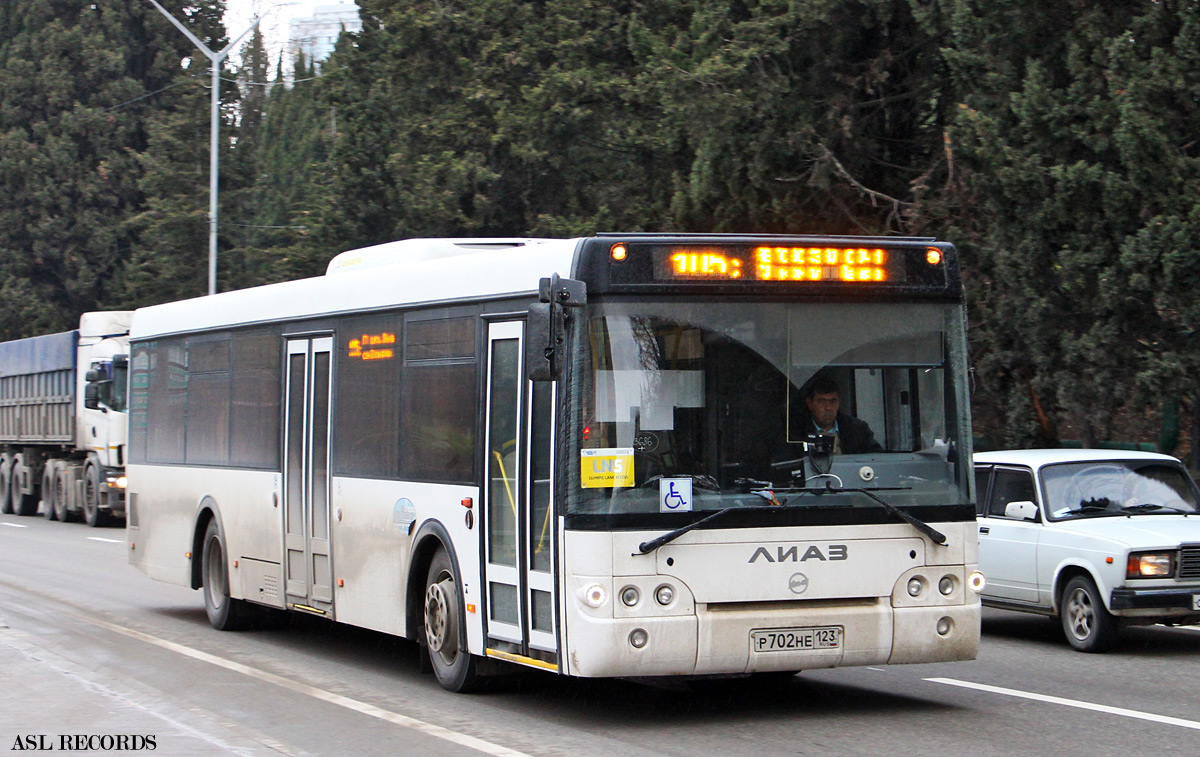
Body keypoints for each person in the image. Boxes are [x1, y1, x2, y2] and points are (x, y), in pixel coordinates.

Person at [791, 375, 882, 455]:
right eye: (821, 401)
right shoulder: (795, 433)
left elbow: (876, 457)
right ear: (809, 403)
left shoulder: (857, 430)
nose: (828, 408)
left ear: (839, 403)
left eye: (833, 401)